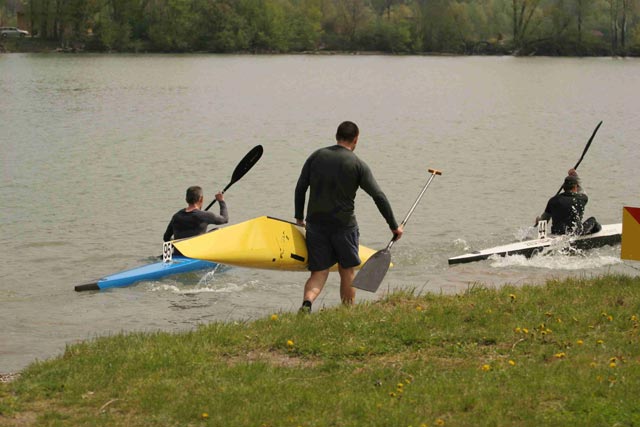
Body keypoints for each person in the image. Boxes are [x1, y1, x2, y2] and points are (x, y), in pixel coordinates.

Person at [294, 121, 403, 312]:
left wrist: (299, 218)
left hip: (316, 224)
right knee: (347, 272)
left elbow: (301, 187)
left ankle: (307, 302)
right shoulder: (357, 164)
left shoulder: (316, 156)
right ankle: (347, 312)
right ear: (356, 139)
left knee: (319, 272)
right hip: (344, 226)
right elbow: (378, 196)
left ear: (337, 136)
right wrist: (393, 226)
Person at [163, 186, 228, 255]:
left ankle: (168, 258)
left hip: (178, 254)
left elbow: (166, 238)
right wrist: (221, 201)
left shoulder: (176, 216)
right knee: (217, 230)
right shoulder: (205, 215)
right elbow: (225, 219)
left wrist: (177, 244)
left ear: (186, 199)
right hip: (196, 255)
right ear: (201, 199)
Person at [535, 169, 601, 236]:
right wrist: (575, 176)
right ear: (575, 186)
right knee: (593, 220)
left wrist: (538, 220)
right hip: (574, 234)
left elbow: (544, 221)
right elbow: (581, 191)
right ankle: (586, 235)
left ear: (563, 187)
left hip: (556, 233)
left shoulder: (553, 200)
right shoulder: (581, 198)